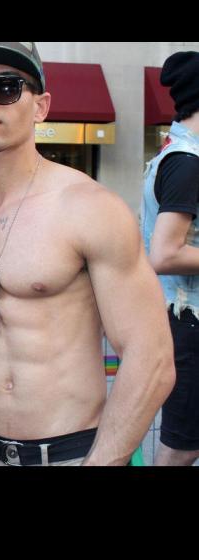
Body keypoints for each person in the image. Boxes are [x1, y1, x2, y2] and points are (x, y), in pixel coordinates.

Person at [0, 42, 175, 466]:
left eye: (6, 87)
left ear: (41, 107)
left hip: (69, 455)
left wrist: (103, 461)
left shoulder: (89, 207)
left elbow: (151, 358)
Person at [141, 51, 199, 466]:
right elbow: (165, 253)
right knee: (183, 446)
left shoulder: (175, 153)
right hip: (188, 323)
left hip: (179, 318)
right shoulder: (186, 162)